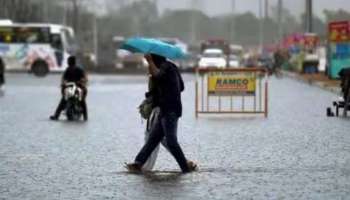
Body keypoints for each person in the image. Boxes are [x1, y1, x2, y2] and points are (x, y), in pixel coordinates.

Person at [126, 54, 197, 173]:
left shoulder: (165, 68)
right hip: (165, 110)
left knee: (171, 141)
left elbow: (158, 75)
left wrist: (149, 62)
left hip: (170, 110)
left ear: (155, 60)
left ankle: (185, 167)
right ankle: (138, 164)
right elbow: (182, 87)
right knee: (152, 140)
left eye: (151, 61)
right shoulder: (171, 67)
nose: (149, 65)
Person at [50, 56, 88, 121]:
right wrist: (63, 83)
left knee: (82, 100)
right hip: (70, 88)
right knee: (63, 100)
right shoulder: (67, 70)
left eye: (69, 61)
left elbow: (85, 78)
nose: (68, 62)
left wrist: (81, 82)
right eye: (68, 61)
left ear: (71, 62)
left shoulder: (79, 70)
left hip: (78, 88)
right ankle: (56, 115)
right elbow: (63, 78)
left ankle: (85, 116)